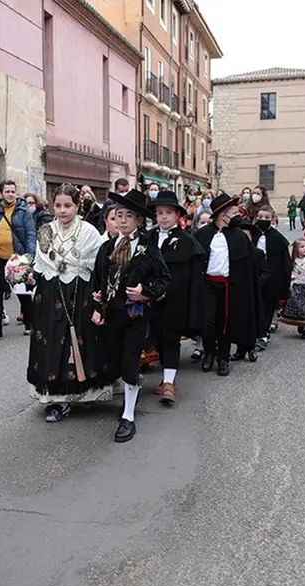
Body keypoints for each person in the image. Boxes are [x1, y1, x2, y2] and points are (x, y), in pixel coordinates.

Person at [91, 189, 170, 442]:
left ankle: (128, 416)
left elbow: (164, 279)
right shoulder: (107, 247)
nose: (123, 220)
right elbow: (98, 278)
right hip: (112, 314)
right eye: (119, 215)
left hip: (135, 316)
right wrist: (97, 300)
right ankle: (128, 400)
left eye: (129, 216)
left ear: (139, 220)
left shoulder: (148, 248)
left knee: (129, 363)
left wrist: (145, 292)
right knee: (113, 359)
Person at [28, 184, 111, 422]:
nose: (62, 211)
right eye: (58, 205)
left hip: (78, 292)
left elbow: (93, 264)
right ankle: (56, 399)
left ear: (77, 206)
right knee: (51, 342)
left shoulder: (88, 232)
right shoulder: (46, 231)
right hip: (49, 292)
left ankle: (82, 393)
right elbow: (41, 263)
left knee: (78, 341)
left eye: (67, 205)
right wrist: (29, 273)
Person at [145, 189, 205, 405]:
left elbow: (191, 276)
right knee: (157, 339)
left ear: (177, 215)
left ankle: (169, 381)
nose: (163, 217)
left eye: (168, 212)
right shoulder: (148, 237)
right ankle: (164, 377)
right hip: (150, 299)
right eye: (160, 212)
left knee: (171, 339)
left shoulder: (186, 240)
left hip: (175, 299)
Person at [194, 193, 263, 377]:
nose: (237, 215)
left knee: (225, 323)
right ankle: (209, 352)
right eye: (233, 212)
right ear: (222, 215)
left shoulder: (239, 236)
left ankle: (223, 357)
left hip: (229, 286)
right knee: (207, 322)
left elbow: (247, 265)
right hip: (207, 285)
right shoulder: (202, 234)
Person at [0, 179, 37, 342]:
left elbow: (31, 235)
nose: (10, 194)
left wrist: (30, 257)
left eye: (13, 191)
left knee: (22, 293)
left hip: (17, 258)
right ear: (1, 193)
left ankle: (29, 323)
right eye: (7, 191)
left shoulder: (23, 211)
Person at [250, 205, 291, 349]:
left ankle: (263, 333)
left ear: (272, 219)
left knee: (267, 306)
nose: (263, 220)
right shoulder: (251, 235)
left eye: (267, 218)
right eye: (260, 217)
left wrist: (285, 285)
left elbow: (285, 263)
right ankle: (254, 332)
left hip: (272, 277)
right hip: (255, 274)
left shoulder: (278, 239)